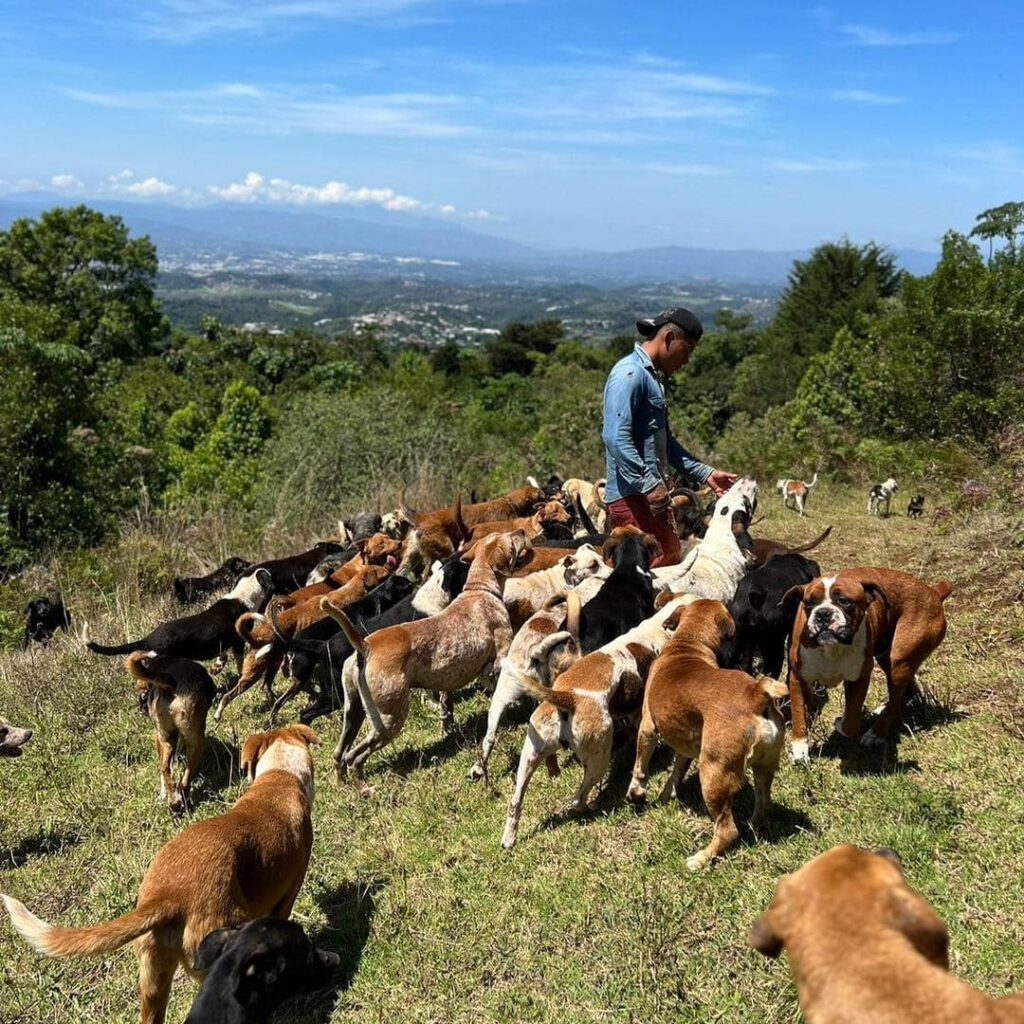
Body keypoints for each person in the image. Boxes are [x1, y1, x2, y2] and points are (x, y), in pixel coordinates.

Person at [601, 307, 737, 567]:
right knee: (644, 569)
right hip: (633, 498)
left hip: (648, 496)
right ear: (669, 338)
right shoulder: (629, 374)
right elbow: (615, 437)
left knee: (667, 558)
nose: (686, 361)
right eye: (686, 351)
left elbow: (666, 445)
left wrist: (706, 473)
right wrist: (649, 485)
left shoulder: (652, 379)